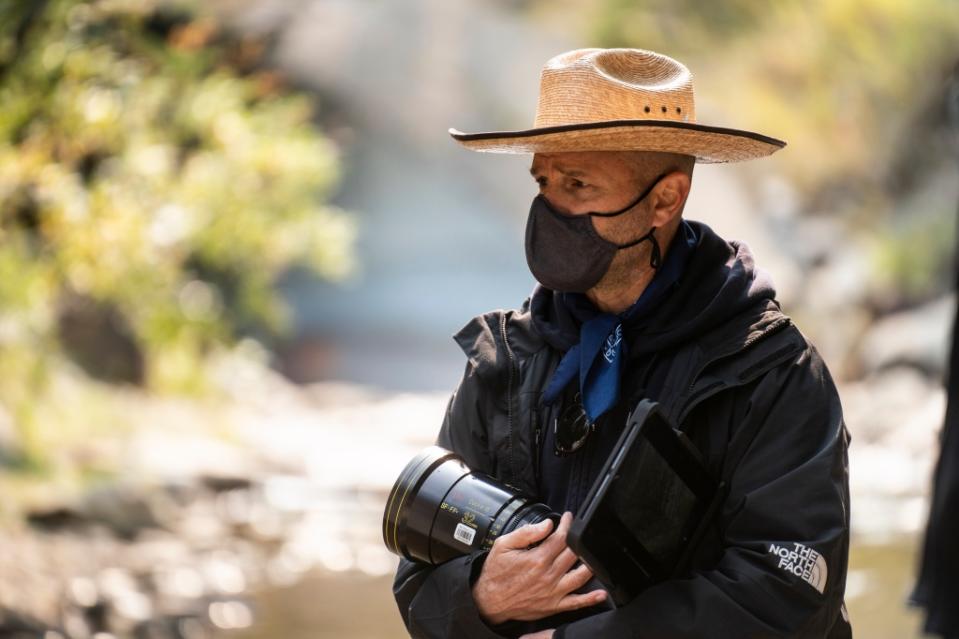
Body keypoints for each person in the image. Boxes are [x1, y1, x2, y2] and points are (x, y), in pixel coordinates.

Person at [392, 48, 851, 639]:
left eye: (578, 184)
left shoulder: (771, 371)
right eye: (543, 181)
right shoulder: (504, 359)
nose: (551, 207)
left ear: (665, 200)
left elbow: (788, 593)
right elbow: (418, 573)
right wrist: (481, 595)